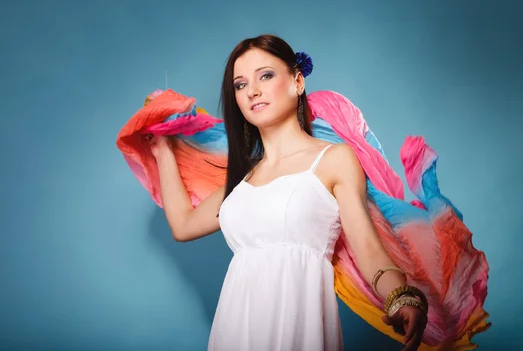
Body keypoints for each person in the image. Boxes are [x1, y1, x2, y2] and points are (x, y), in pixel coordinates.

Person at [146, 35, 429, 350]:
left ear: (297, 82)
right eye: (240, 85)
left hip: (300, 328)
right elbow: (184, 225)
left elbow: (369, 252)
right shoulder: (242, 180)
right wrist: (162, 151)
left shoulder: (333, 159)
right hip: (235, 327)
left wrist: (401, 297)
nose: (252, 90)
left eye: (265, 75)